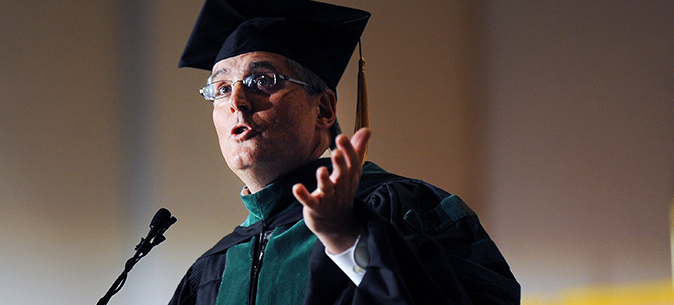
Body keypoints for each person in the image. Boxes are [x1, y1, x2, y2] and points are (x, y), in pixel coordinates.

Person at [170, 0, 520, 304]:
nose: (237, 102)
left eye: (263, 81)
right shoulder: (211, 269)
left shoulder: (401, 208)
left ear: (323, 109)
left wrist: (349, 238)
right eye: (221, 88)